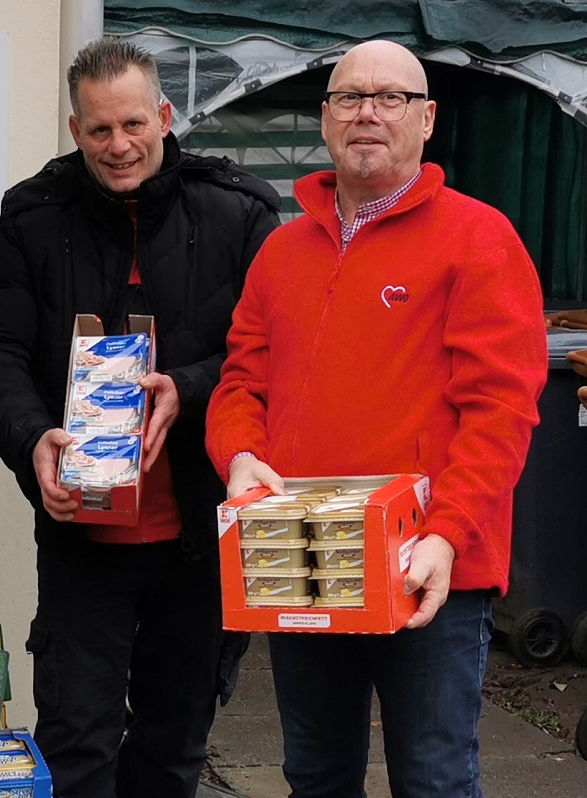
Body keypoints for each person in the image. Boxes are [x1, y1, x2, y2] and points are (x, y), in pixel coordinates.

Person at [204, 40, 547, 798]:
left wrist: (447, 532)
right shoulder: (282, 251)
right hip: (307, 560)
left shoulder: (479, 239)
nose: (367, 112)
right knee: (316, 776)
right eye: (348, 97)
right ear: (324, 119)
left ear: (426, 120)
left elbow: (501, 409)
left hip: (428, 570)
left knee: (432, 779)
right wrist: (238, 454)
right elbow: (240, 380)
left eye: (390, 97)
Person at [0, 38, 279, 798]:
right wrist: (33, 439)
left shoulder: (240, 213)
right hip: (82, 533)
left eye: (133, 123)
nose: (119, 145)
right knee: (75, 740)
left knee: (175, 741)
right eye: (99, 130)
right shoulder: (34, 218)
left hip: (200, 532)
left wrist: (188, 387)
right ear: (76, 132)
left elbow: (276, 354)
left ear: (164, 116)